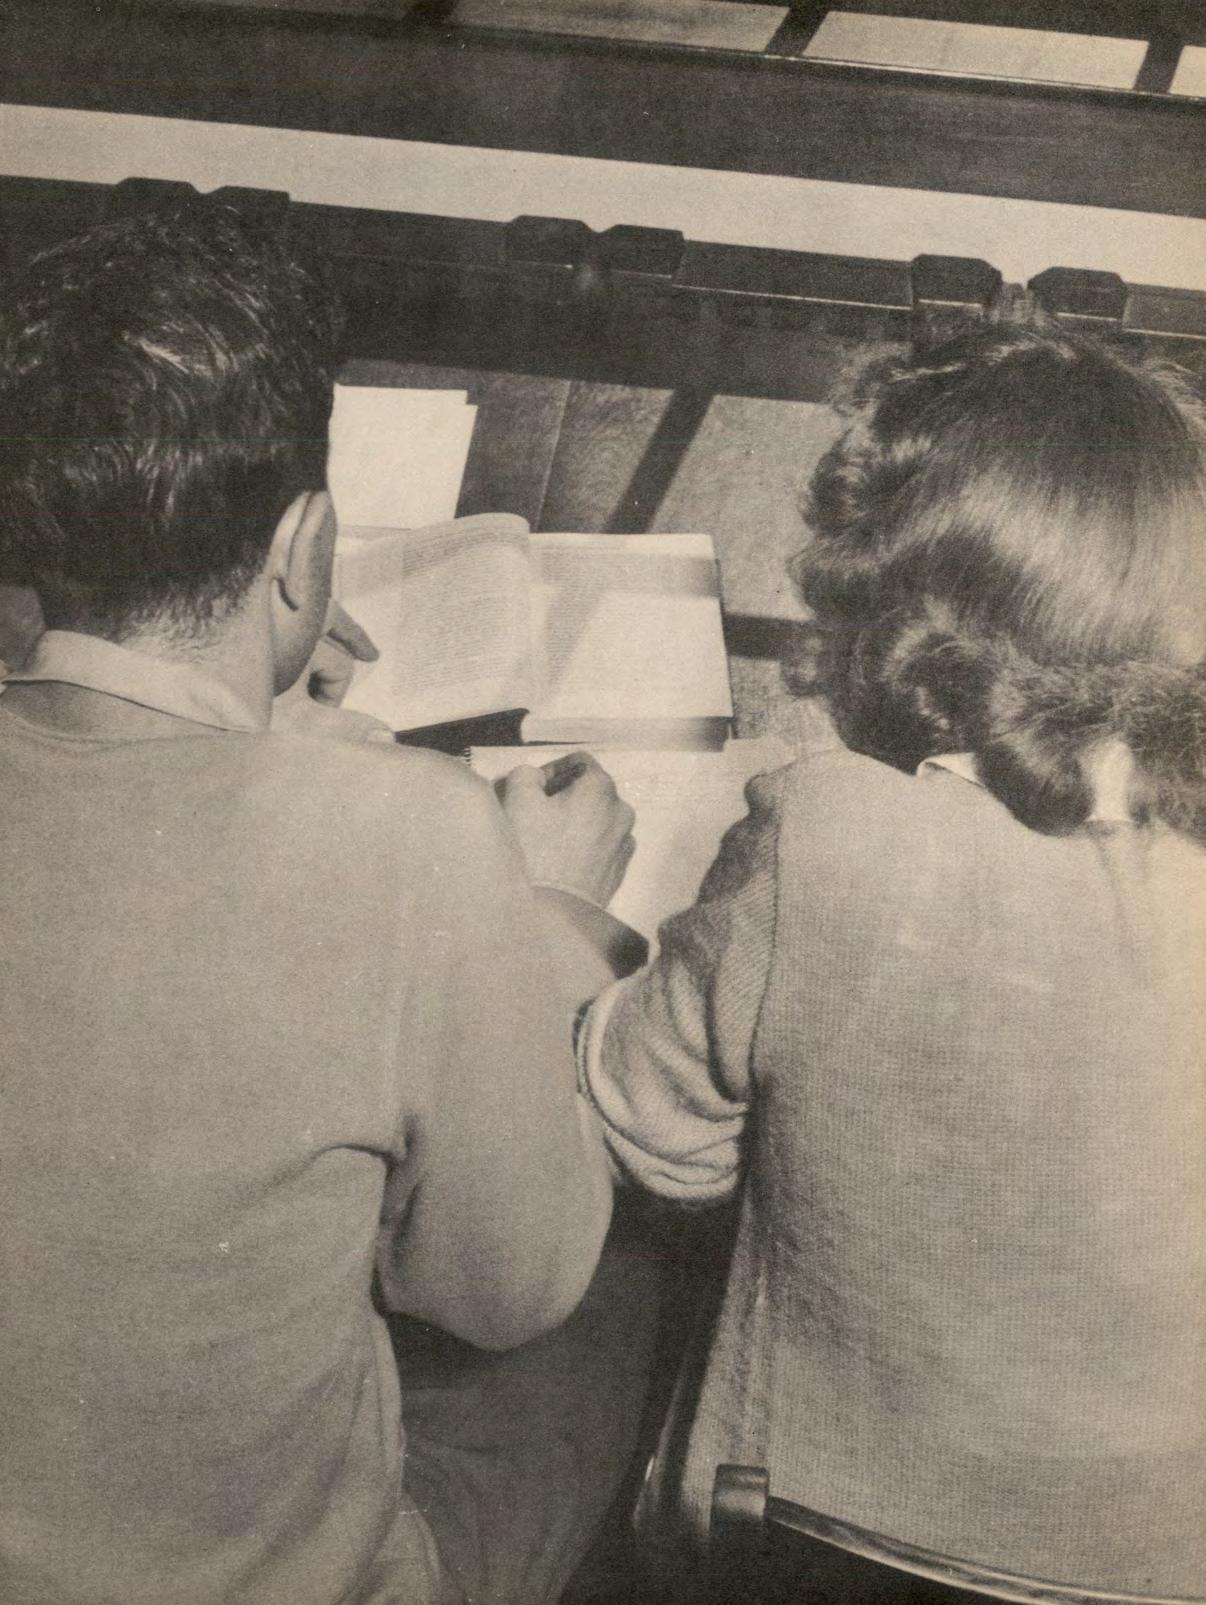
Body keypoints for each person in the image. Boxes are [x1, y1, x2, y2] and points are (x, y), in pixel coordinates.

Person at [0, 200, 656, 1605]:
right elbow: (502, 1288)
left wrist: (262, 704)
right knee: (624, 1299)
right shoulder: (409, 834)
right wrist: (545, 916)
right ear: (303, 550)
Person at [576, 323, 1206, 1597]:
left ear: (887, 624)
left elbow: (651, 1133)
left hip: (805, 1539)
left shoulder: (829, 833)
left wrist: (565, 924)